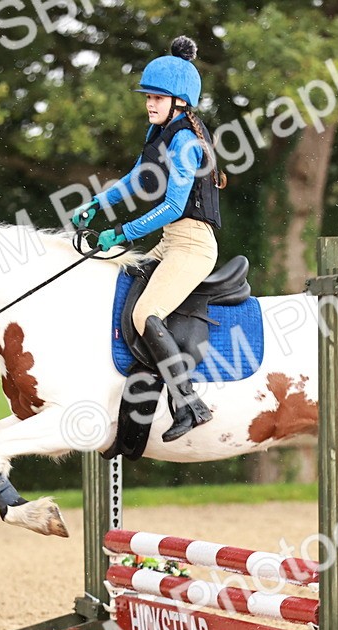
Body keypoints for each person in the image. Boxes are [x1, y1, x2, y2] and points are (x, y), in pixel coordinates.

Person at [72, 35, 227, 443]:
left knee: (145, 314)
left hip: (192, 245)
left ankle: (190, 402)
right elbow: (135, 180)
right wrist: (97, 204)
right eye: (148, 97)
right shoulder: (159, 133)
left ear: (180, 102)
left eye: (158, 98)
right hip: (171, 241)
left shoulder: (185, 141)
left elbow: (173, 208)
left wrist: (119, 232)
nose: (150, 104)